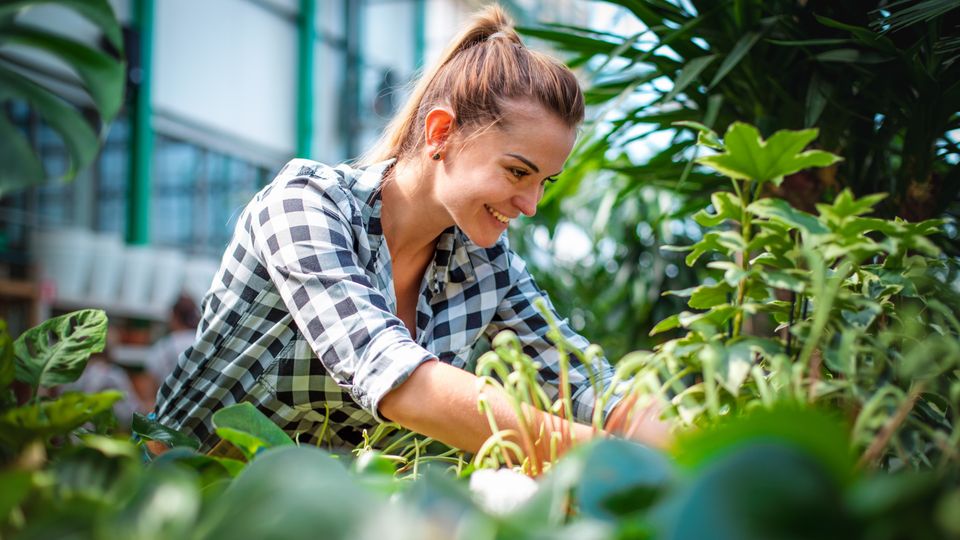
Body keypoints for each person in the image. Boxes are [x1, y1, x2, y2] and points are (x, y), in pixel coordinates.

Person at [153, 5, 670, 459]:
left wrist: (702, 451)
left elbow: (586, 384)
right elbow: (396, 378)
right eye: (517, 172)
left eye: (544, 182)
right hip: (175, 493)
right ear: (441, 132)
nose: (531, 205)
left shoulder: (485, 265)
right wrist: (601, 456)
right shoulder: (305, 207)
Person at [143, 294, 200, 409]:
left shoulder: (162, 347)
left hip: (168, 411)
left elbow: (150, 391)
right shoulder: (202, 341)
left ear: (174, 316)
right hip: (198, 409)